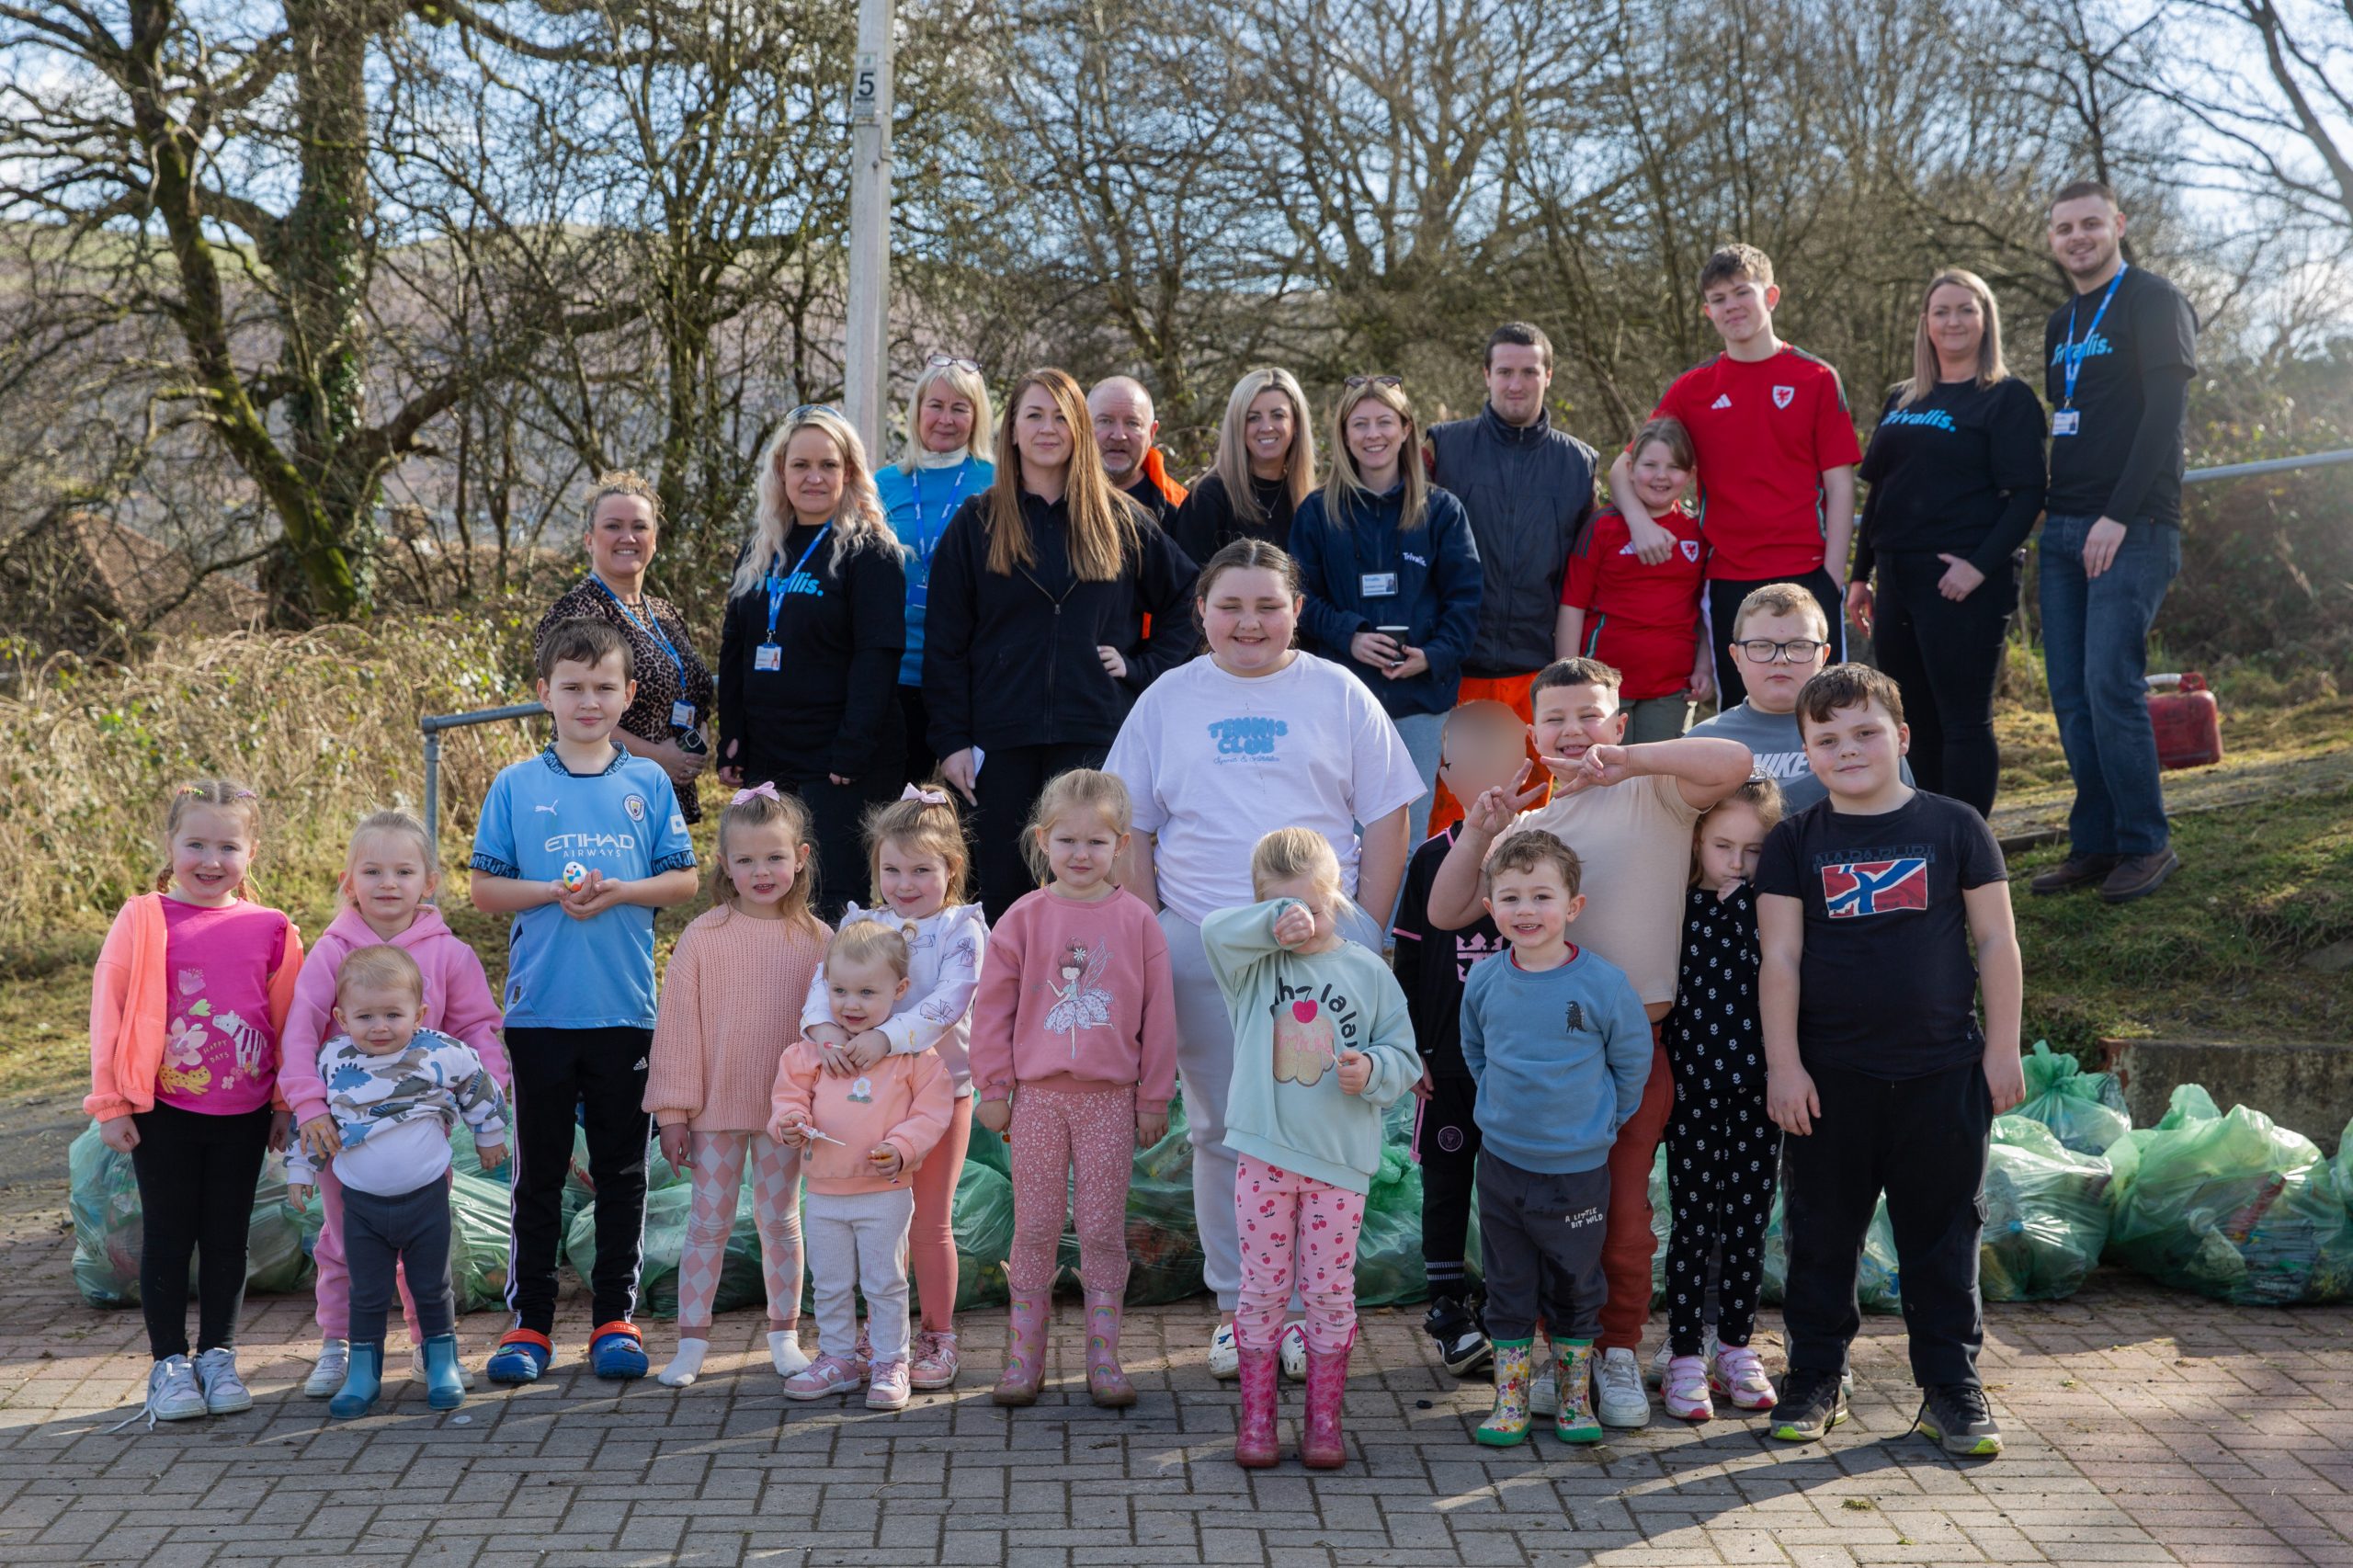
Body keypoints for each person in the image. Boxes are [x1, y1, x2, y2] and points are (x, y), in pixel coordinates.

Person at [1105, 540, 1424, 1380]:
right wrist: (1153, 932)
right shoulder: (1168, 698)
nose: (1249, 623)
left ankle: (1315, 1313)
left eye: (1267, 606)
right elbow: (1129, 826)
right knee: (1222, 1129)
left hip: (1322, 959)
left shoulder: (1338, 692)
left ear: (1294, 612)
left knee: (1322, 1131)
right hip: (1207, 950)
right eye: (1230, 606)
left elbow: (1388, 815)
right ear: (1201, 612)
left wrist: (1367, 930)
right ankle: (1239, 1310)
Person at [1423, 657, 1752, 1429]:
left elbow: (1732, 761)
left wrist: (1630, 762)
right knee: (1544, 1218)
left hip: (1638, 1044)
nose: (1574, 732)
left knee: (1623, 1220)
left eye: (1590, 716)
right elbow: (1446, 911)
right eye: (1557, 720)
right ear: (1533, 736)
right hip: (1542, 1063)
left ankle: (1614, 1356)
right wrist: (1479, 831)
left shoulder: (1657, 791)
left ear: (1618, 723)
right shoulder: (1530, 827)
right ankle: (1555, 1357)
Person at [1756, 664, 2024, 1457]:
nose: (1849, 749)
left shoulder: (1956, 826)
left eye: (1866, 731)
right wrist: (1784, 1066)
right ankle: (1815, 1375)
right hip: (1830, 1081)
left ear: (1902, 738)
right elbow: (1780, 960)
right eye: (1827, 739)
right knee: (1822, 1236)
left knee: (1943, 1238)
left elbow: (1996, 941)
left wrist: (2003, 1048)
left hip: (1943, 1075)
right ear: (1806, 754)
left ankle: (1950, 1387)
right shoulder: (1794, 841)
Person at [470, 618, 699, 1384]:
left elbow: (685, 881)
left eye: (605, 687)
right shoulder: (515, 785)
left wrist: (620, 893)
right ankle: (529, 1325)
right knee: (536, 1174)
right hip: (538, 1016)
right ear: (544, 695)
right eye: (572, 687)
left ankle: (613, 1318)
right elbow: (483, 889)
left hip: (626, 1014)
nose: (589, 701)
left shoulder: (649, 783)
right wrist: (552, 894)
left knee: (621, 1173)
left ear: (630, 695)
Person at [926, 369, 1197, 919]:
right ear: (1012, 430)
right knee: (1002, 896)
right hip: (997, 745)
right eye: (1034, 415)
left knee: (1085, 896)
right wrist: (952, 739)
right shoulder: (976, 521)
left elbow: (1192, 598)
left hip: (1093, 736)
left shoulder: (1120, 519)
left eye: (1060, 417)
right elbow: (945, 643)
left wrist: (1144, 666)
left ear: (1078, 430)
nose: (1047, 429)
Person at [88, 778, 304, 1426]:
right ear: (170, 845)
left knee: (227, 1238)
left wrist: (284, 1104)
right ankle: (169, 1365)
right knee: (169, 1236)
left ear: (252, 852)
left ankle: (217, 1355)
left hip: (242, 1117)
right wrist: (111, 1103)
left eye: (228, 847)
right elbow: (111, 1007)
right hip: (163, 1112)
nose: (211, 861)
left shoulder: (273, 928)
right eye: (196, 844)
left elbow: (293, 1021)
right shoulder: (143, 917)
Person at [1203, 828, 1419, 1470]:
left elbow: (1403, 1055)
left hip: (1338, 1167)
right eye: (1281, 907)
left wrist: (1374, 1069)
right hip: (1264, 1157)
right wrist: (1274, 923)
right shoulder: (1252, 967)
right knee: (1262, 1290)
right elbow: (1214, 930)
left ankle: (1324, 1423)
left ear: (1340, 896)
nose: (1301, 921)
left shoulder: (1368, 969)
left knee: (1329, 1293)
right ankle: (1258, 1423)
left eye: (1313, 907)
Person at [280, 811, 509, 1400]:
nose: (388, 883)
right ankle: (338, 1346)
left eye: (403, 871)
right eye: (373, 870)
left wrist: (490, 1103)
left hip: (419, 1136)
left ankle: (425, 1344)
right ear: (348, 880)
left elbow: (478, 1030)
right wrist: (308, 1106)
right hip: (341, 1134)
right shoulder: (331, 952)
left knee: (422, 1244)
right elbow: (302, 1033)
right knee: (339, 1240)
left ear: (428, 882)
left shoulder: (450, 955)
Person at [970, 769, 1178, 1408]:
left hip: (1109, 1102)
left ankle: (1104, 1358)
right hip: (1035, 1099)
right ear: (1043, 840)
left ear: (1120, 845)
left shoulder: (1139, 922)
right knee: (1033, 1225)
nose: (1081, 855)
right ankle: (1023, 1358)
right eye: (1067, 841)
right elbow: (993, 1010)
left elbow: (1160, 1017)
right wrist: (994, 1086)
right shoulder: (1024, 920)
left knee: (1101, 1227)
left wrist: (1152, 1098)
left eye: (1096, 841)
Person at [2031, 179, 2199, 904]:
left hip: (2131, 528)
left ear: (2118, 226)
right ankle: (2096, 842)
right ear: (2051, 238)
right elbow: (2071, 417)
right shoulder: (2061, 321)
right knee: (2069, 694)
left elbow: (2163, 415)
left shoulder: (2153, 300)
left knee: (2110, 684)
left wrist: (2118, 514)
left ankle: (2146, 842)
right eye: (2065, 227)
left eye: (2091, 224)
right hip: (2063, 530)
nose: (2078, 237)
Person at [1461, 830, 1652, 1448]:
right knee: (1508, 1284)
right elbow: (1477, 1054)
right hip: (1502, 1166)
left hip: (1577, 1171)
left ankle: (1574, 1400)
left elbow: (1631, 1067)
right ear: (1491, 908)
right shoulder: (1486, 982)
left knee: (1576, 1284)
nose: (1526, 911)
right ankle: (1511, 1400)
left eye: (1542, 896)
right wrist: (1501, 1111)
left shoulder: (1603, 985)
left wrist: (1598, 1124)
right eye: (1511, 897)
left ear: (1574, 906)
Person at [1609, 245, 1862, 709]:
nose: (1732, 306)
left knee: (1823, 712)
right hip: (1727, 576)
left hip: (1808, 572)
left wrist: (1832, 574)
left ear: (1771, 295)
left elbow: (1839, 483)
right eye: (1720, 298)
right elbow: (1623, 467)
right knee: (1742, 717)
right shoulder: (1693, 388)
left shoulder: (1816, 377)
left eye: (1742, 292)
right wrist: (1641, 523)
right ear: (1708, 311)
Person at [797, 786, 988, 1391]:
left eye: (922, 870)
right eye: (892, 869)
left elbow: (948, 1001)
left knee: (928, 1220)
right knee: (868, 1218)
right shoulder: (861, 923)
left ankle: (937, 1333)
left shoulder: (963, 929)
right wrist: (825, 1031)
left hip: (940, 1091)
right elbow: (821, 985)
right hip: (862, 1100)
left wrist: (887, 1039)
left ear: (950, 869)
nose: (905, 883)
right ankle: (876, 1338)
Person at [643, 785, 831, 1388]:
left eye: (774, 857)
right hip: (715, 1110)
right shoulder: (703, 937)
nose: (761, 871)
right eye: (745, 860)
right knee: (708, 1220)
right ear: (724, 864)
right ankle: (692, 1343)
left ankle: (785, 1335)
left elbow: (835, 1028)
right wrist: (673, 1112)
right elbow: (677, 1029)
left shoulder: (818, 941)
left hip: (786, 1112)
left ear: (800, 857)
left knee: (780, 1219)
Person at [1846, 268, 2047, 818]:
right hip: (1897, 579)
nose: (1953, 321)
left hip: (1962, 582)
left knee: (1962, 720)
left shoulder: (2006, 399)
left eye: (1966, 310)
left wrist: (1979, 567)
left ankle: (1971, 853)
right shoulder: (1902, 398)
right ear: (1926, 324)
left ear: (1986, 321)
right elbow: (1882, 491)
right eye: (1942, 311)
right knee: (1911, 721)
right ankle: (1931, 843)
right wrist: (1861, 575)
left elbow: (2029, 494)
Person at [718, 405, 907, 921]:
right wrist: (732, 734)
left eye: (828, 464)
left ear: (849, 472)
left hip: (838, 763)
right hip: (770, 754)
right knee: (769, 891)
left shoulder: (872, 552)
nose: (814, 477)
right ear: (781, 471)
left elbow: (878, 655)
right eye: (801, 465)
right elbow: (735, 645)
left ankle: (837, 1001)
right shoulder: (761, 548)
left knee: (830, 898)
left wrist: (852, 749)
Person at [770, 918, 954, 1412]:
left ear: (899, 990)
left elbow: (932, 1113)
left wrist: (901, 1146)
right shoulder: (807, 1054)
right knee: (828, 1282)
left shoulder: (916, 1058)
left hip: (885, 1192)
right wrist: (790, 1122)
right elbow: (788, 1100)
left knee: (885, 1281)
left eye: (867, 992)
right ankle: (837, 1358)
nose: (851, 1005)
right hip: (825, 1193)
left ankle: (891, 1361)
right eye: (840, 991)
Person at [1425, 323, 1601, 834]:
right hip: (1458, 664)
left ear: (1549, 375)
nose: (1516, 384)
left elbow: (1587, 571)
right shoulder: (1445, 449)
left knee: (1534, 818)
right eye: (1505, 371)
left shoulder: (1578, 463)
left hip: (1537, 668)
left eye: (1529, 371)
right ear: (1486, 375)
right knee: (1452, 815)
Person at [1291, 374, 1482, 846]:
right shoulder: (1317, 512)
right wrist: (1349, 635)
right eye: (1360, 424)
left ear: (1405, 429)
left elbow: (1466, 599)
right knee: (1337, 835)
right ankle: (1341, 923)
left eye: (1384, 422)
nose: (1373, 434)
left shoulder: (1442, 511)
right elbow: (1297, 599)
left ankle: (1397, 924)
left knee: (1405, 836)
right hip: (1339, 700)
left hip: (1419, 704)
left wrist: (1432, 655)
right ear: (1344, 434)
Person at [1392, 701, 1522, 1377]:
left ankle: (1508, 1305)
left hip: (1522, 1066)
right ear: (1447, 772)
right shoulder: (1430, 861)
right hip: (1448, 1062)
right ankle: (1446, 1305)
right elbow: (1409, 960)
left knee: (1513, 1187)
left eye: (1506, 764)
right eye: (1475, 767)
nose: (1492, 780)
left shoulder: (1542, 854)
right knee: (1446, 1181)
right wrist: (1412, 1046)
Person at [1659, 778, 1784, 1424]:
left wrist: (1749, 903)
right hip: (1694, 1093)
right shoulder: (1678, 908)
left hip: (1761, 1092)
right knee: (1693, 1222)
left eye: (1754, 850)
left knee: (1747, 1224)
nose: (1736, 864)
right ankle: (1684, 1352)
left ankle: (1737, 1346)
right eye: (1723, 846)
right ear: (1697, 843)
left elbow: (1777, 968)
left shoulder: (1773, 909)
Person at [536, 472, 717, 824]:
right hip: (605, 795)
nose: (628, 537)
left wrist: (698, 739)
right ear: (589, 540)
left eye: (639, 526)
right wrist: (658, 757)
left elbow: (692, 688)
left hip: (665, 796)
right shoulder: (577, 612)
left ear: (655, 540)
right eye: (613, 526)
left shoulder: (664, 612)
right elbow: (574, 711)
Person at [1688, 583, 1913, 812]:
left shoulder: (1868, 734)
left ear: (1823, 655)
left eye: (1799, 646)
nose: (1780, 659)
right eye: (1761, 646)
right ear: (1736, 657)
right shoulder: (1700, 743)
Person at [878, 356, 995, 788]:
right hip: (896, 673)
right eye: (936, 405)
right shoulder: (881, 484)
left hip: (968, 681)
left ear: (977, 417)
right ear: (917, 411)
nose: (946, 419)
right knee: (892, 815)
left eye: (960, 408)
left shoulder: (999, 483)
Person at [1556, 416, 1712, 744]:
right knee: (1609, 783)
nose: (1660, 475)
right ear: (1629, 469)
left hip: (1671, 689)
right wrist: (1567, 677)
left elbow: (1703, 610)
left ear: (1691, 475)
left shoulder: (1697, 533)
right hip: (1603, 687)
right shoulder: (1603, 527)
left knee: (1662, 783)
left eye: (1673, 467)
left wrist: (1704, 666)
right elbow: (1572, 604)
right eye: (1650, 464)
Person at [1174, 368, 1316, 563]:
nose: (1266, 427)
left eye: (1278, 415)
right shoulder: (1208, 498)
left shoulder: (1311, 503)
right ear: (1238, 426)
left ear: (1296, 423)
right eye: (1253, 418)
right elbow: (1188, 586)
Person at [1087, 375, 1189, 526]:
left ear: (1152, 433)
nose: (1119, 436)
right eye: (1105, 421)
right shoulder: (1054, 497)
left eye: (1132, 423)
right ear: (1083, 426)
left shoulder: (1182, 509)